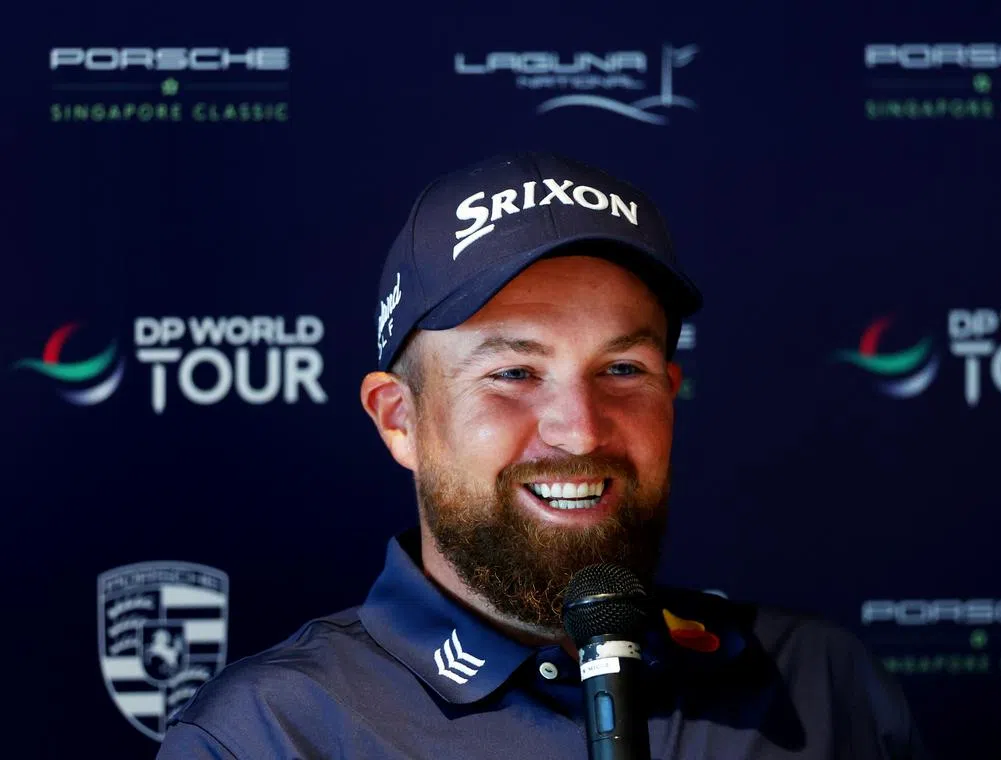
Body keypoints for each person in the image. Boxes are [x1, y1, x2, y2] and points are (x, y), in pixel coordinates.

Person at [157, 152, 930, 759]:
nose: (580, 431)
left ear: (671, 393)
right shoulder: (270, 734)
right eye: (514, 374)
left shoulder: (821, 683)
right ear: (400, 419)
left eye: (621, 369)